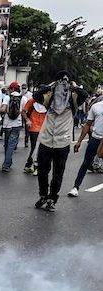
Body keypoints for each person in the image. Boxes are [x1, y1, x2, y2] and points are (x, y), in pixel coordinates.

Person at [33, 71, 88, 211]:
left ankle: (52, 199)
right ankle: (43, 195)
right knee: (42, 172)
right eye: (60, 81)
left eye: (66, 82)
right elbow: (36, 95)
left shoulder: (73, 99)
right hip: (46, 140)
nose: (63, 85)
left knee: (58, 173)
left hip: (62, 142)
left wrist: (74, 86)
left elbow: (84, 95)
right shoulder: (49, 98)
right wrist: (51, 86)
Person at [68, 96, 103, 197]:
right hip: (95, 139)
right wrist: (79, 142)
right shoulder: (96, 107)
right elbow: (87, 124)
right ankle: (75, 187)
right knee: (86, 163)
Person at [0, 81, 24, 172]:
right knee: (11, 145)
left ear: (12, 89)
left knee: (7, 145)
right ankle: (7, 164)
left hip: (7, 125)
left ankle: (7, 163)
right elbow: (24, 111)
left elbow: (3, 109)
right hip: (17, 125)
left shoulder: (7, 97)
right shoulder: (23, 98)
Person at [21, 90, 47, 174]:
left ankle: (28, 166)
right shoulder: (32, 101)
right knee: (36, 147)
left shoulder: (47, 102)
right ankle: (35, 167)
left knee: (36, 148)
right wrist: (27, 120)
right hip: (33, 128)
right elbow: (23, 111)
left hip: (43, 129)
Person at [20, 83, 33, 148]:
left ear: (27, 88)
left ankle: (27, 141)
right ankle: (26, 141)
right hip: (22, 112)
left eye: (24, 88)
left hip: (28, 113)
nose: (23, 89)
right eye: (22, 88)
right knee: (24, 127)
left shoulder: (30, 94)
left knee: (27, 128)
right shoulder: (20, 94)